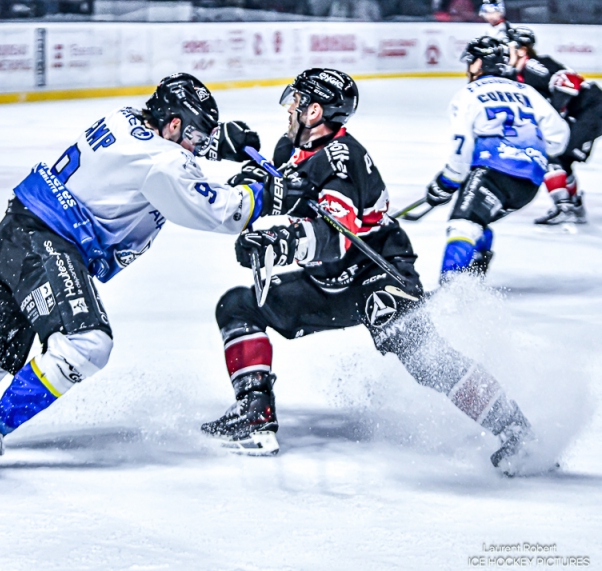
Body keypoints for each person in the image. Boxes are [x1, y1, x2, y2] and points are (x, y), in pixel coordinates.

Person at [0, 73, 303, 480]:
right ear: (173, 125)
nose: (196, 147)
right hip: (45, 246)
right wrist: (261, 190)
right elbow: (221, 212)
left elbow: (165, 155)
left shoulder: (124, 118)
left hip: (12, 236)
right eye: (194, 136)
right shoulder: (164, 161)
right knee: (88, 343)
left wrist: (215, 144)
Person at [201, 67, 539, 475]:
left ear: (314, 111)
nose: (288, 108)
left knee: (426, 358)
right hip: (327, 284)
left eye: (296, 101)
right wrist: (230, 151)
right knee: (238, 307)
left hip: (377, 274)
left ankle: (515, 430)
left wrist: (279, 243)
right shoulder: (292, 147)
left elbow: (335, 240)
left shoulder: (342, 162)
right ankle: (255, 415)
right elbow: (273, 181)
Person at [424, 36, 568, 280]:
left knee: (463, 224)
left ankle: (448, 292)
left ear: (479, 63)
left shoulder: (468, 94)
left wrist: (446, 182)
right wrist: (527, 153)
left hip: (493, 172)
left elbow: (462, 144)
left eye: (471, 61)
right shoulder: (528, 91)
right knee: (477, 221)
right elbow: (559, 137)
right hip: (528, 183)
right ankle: (474, 273)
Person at [506, 27, 600, 225]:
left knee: (548, 152)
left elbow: (569, 83)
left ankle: (564, 206)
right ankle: (574, 205)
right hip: (587, 112)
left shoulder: (533, 65)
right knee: (563, 159)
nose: (505, 53)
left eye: (509, 48)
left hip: (590, 110)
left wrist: (555, 115)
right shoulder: (519, 73)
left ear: (522, 50)